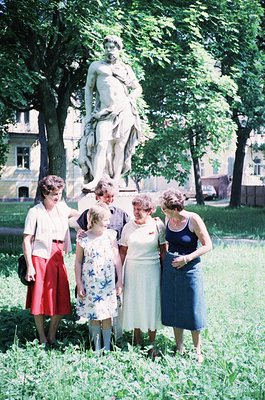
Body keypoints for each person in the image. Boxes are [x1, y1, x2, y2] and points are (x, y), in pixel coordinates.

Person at [78, 35, 142, 190]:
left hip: (124, 111)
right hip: (104, 112)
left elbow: (138, 88)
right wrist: (87, 114)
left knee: (120, 147)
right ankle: (97, 180)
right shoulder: (96, 66)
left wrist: (129, 99)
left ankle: (116, 179)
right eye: (106, 47)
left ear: (119, 49)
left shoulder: (126, 69)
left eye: (112, 47)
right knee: (101, 144)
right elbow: (88, 90)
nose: (109, 51)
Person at [22, 175, 79, 346]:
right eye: (54, 193)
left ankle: (52, 334)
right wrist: (30, 267)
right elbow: (26, 240)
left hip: (58, 255)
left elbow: (83, 214)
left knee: (61, 296)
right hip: (39, 256)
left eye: (59, 193)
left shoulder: (62, 207)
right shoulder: (35, 211)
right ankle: (41, 336)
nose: (57, 196)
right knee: (38, 297)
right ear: (45, 193)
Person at [159, 189, 212, 363]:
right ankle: (179, 347)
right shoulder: (168, 219)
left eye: (164, 209)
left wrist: (187, 258)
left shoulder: (193, 219)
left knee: (191, 308)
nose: (162, 212)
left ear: (174, 208)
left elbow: (207, 245)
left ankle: (197, 350)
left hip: (190, 268)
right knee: (174, 306)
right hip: (171, 268)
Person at [76, 177, 130, 340]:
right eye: (107, 197)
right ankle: (96, 342)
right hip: (93, 270)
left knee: (113, 306)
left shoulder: (121, 215)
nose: (111, 200)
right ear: (98, 196)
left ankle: (117, 337)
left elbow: (129, 234)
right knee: (95, 308)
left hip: (114, 265)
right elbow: (82, 236)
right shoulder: (88, 214)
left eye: (113, 197)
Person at [119, 194, 167, 356]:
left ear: (150, 210)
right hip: (132, 270)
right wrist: (118, 274)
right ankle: (137, 340)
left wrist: (166, 272)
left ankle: (152, 343)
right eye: (134, 208)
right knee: (135, 303)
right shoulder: (127, 227)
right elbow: (122, 252)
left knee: (151, 304)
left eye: (140, 209)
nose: (136, 212)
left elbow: (163, 251)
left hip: (152, 270)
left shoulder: (158, 226)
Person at [74, 204, 123, 351]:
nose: (109, 222)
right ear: (95, 220)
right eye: (106, 219)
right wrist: (79, 283)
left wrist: (119, 280)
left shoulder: (111, 235)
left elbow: (116, 258)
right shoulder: (83, 238)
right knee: (94, 315)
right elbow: (77, 262)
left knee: (107, 314)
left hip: (107, 283)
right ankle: (96, 348)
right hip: (90, 283)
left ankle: (107, 347)